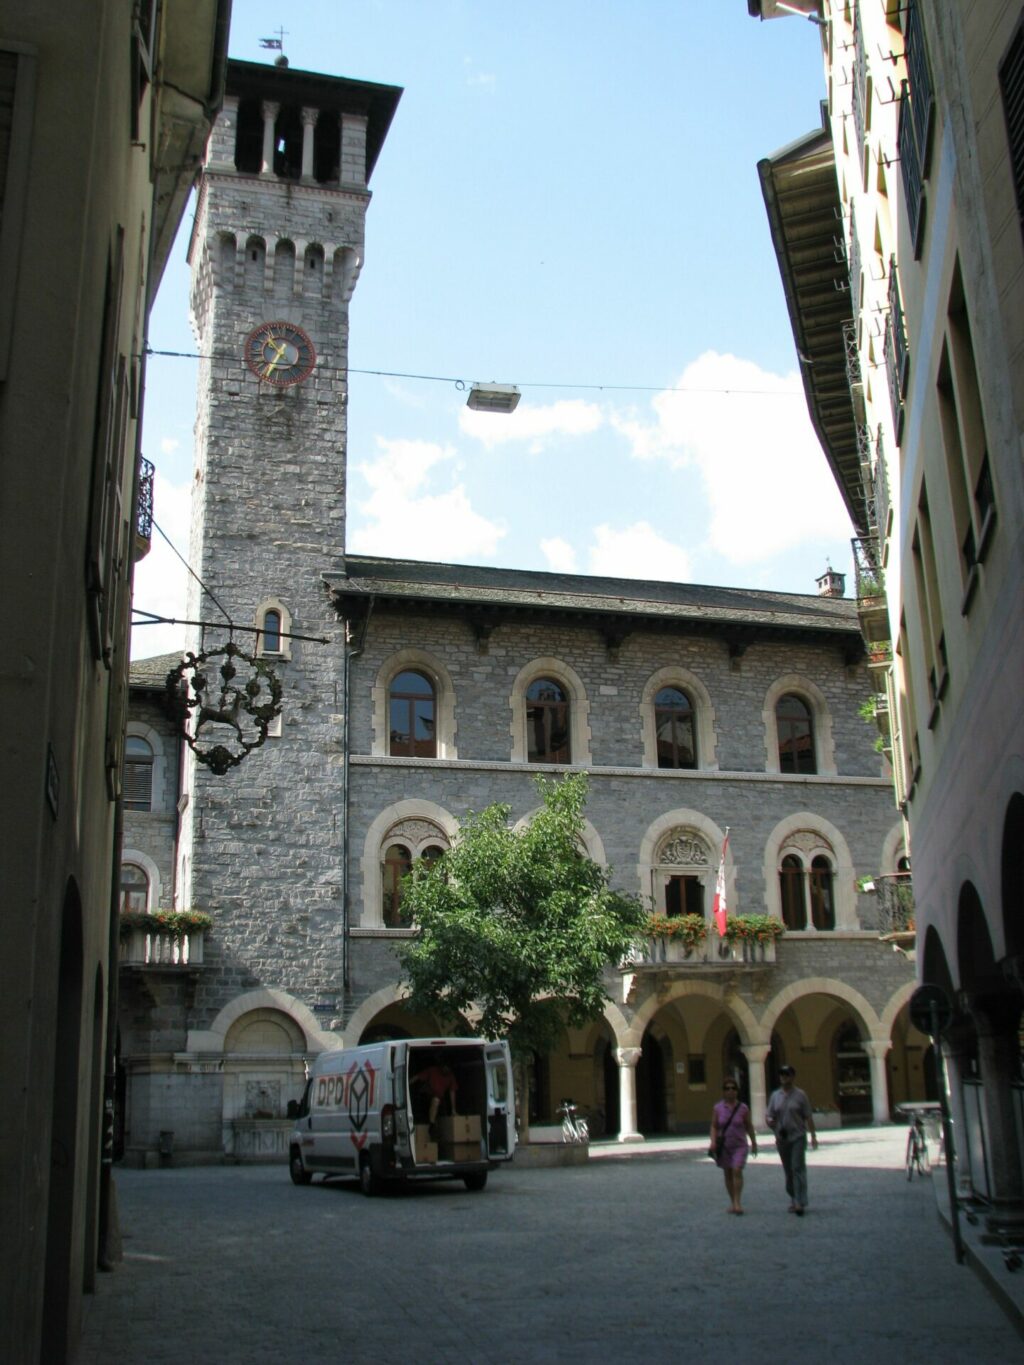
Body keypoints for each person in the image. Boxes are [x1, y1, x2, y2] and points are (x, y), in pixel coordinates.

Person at [765, 1064, 818, 1215]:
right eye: (781, 1074)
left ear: (793, 1077)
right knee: (788, 1170)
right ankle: (793, 1197)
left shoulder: (801, 1095)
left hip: (798, 1137)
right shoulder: (775, 1096)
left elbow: (808, 1116)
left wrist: (813, 1136)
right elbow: (769, 1115)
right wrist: (770, 1122)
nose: (784, 1077)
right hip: (782, 1138)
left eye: (787, 1074)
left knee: (797, 1168)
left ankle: (800, 1201)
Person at [709, 1078, 757, 1214]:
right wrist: (713, 1141)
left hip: (740, 1145)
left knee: (737, 1170)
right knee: (728, 1173)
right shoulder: (718, 1108)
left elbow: (748, 1125)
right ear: (723, 1092)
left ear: (737, 1091)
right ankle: (732, 1201)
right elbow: (714, 1125)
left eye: (733, 1088)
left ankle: (737, 1202)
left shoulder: (743, 1108)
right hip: (724, 1145)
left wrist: (754, 1143)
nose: (730, 1091)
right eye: (727, 1088)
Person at [411, 1061, 458, 1135]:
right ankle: (431, 1124)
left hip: (440, 1099)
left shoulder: (450, 1076)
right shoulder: (432, 1070)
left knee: (438, 1103)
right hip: (426, 1096)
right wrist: (408, 1083)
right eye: (445, 1068)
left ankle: (436, 1129)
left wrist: (453, 1110)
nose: (446, 1071)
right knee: (435, 1100)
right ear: (442, 1066)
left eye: (448, 1069)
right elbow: (418, 1077)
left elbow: (452, 1092)